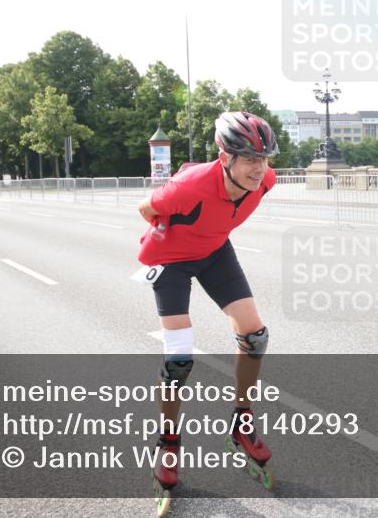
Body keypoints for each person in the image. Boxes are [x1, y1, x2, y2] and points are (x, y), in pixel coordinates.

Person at [137, 111, 279, 503]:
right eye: (249, 158)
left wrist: (209, 236)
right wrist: (169, 233)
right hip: (171, 259)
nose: (258, 168)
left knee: (255, 336)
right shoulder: (189, 185)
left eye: (264, 158)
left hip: (215, 251)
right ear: (224, 158)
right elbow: (145, 209)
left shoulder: (265, 181)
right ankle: (167, 443)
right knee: (179, 359)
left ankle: (241, 422)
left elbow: (231, 212)